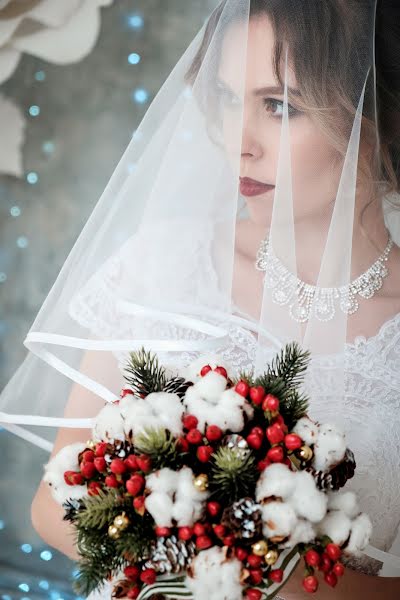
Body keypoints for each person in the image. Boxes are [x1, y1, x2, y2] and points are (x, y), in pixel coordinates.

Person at [1, 1, 399, 599]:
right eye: (229, 98)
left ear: (376, 117)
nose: (239, 141)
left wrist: (269, 581)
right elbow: (55, 505)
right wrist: (199, 575)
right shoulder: (166, 262)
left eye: (278, 106)